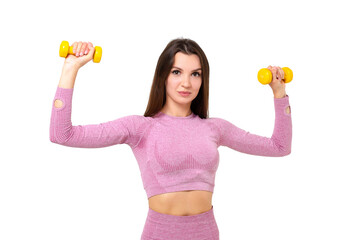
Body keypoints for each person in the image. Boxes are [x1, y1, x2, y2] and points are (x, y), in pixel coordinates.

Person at [50, 38, 292, 240]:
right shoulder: (140, 127)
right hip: (160, 233)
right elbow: (62, 134)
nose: (186, 83)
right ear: (163, 76)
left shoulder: (215, 128)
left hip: (206, 233)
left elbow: (279, 147)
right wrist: (70, 68)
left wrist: (280, 94)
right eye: (177, 72)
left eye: (195, 74)